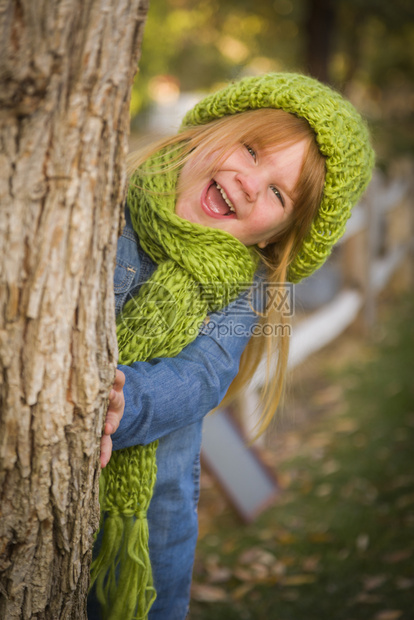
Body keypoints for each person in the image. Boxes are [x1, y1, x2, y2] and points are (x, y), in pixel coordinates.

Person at [88, 72, 375, 620]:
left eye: (277, 192)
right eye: (250, 149)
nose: (249, 182)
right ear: (207, 132)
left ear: (274, 235)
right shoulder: (107, 203)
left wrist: (128, 400)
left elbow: (204, 375)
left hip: (150, 526)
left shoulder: (251, 290)